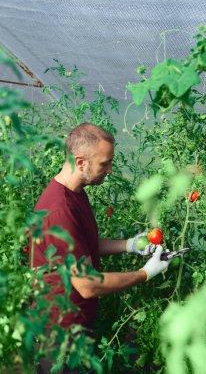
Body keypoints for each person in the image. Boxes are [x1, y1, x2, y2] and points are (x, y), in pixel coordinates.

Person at [30, 123, 171, 372]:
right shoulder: (59, 211)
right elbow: (88, 285)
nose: (110, 170)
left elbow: (81, 244)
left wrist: (128, 245)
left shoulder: (74, 193)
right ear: (80, 162)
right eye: (104, 164)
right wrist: (145, 273)